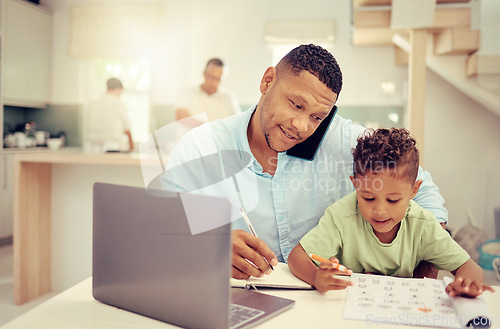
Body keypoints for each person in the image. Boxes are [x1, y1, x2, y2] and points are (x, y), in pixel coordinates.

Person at [161, 44, 448, 280]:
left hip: (329, 299)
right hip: (238, 297)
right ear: (268, 81)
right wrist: (210, 245)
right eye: (296, 105)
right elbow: (160, 231)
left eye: (317, 117)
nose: (301, 126)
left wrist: (424, 269)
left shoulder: (345, 141)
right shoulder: (201, 147)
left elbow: (424, 194)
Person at [287, 128, 494, 298]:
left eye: (393, 200)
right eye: (368, 197)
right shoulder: (341, 216)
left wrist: (466, 284)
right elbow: (297, 257)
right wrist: (316, 277)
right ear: (355, 185)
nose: (379, 210)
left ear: (413, 190)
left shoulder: (423, 223)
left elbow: (469, 268)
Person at [175, 57, 240, 130]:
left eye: (219, 79)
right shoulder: (186, 91)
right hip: (188, 140)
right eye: (212, 78)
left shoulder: (229, 98)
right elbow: (181, 116)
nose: (214, 83)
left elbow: (237, 124)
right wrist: (209, 128)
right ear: (204, 74)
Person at [86, 77, 133, 152]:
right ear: (118, 89)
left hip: (92, 145)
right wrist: (131, 145)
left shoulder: (93, 103)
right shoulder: (119, 103)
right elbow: (127, 128)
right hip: (111, 145)